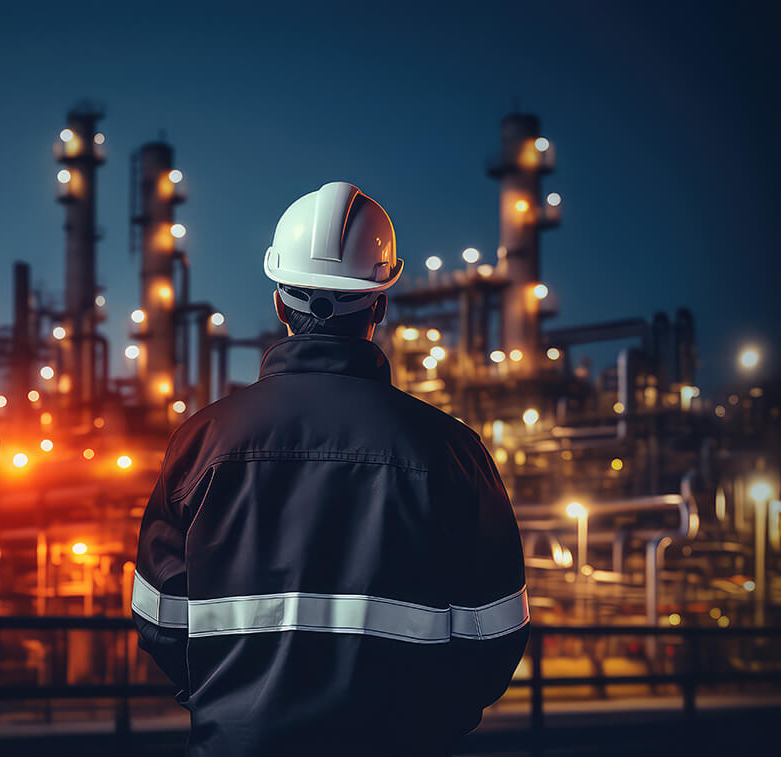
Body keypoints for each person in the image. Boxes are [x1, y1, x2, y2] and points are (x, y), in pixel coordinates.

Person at [132, 181, 529, 756]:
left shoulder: (203, 441)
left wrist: (225, 704)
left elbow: (160, 619)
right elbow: (496, 634)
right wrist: (433, 720)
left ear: (278, 301)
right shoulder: (451, 452)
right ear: (381, 304)